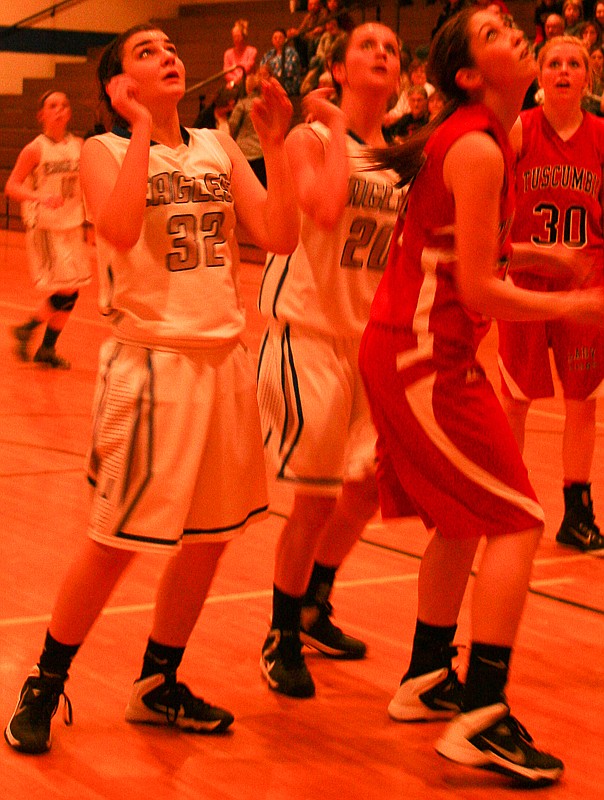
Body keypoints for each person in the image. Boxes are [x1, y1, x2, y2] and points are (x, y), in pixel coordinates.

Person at [4, 23, 298, 755]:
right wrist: (137, 129)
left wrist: (280, 145)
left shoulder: (219, 145)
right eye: (146, 51)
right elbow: (121, 228)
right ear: (118, 86)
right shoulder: (102, 151)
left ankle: (156, 683)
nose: (167, 54)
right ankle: (45, 679)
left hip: (224, 360)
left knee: (210, 540)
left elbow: (279, 233)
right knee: (113, 541)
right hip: (151, 366)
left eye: (169, 46)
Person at [359, 7, 604, 784]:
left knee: (466, 522)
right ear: (468, 74)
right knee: (520, 518)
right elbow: (477, 288)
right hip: (423, 355)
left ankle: (430, 674)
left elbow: (460, 245)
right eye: (495, 35)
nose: (518, 37)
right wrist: (572, 302)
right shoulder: (476, 145)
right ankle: (484, 715)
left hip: (414, 346)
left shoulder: (490, 135)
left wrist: (538, 251)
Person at [257, 22, 404, 698]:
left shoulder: (398, 157)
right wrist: (342, 126)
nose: (382, 53)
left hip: (366, 339)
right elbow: (320, 210)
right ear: (338, 68)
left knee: (370, 487)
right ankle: (280, 633)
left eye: (392, 49)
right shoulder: (310, 137)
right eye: (367, 46)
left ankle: (315, 603)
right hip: (307, 332)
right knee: (314, 502)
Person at [498, 36, 604, 552]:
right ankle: (511, 500)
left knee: (583, 402)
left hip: (587, 282)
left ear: (589, 76)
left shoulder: (603, 137)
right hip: (524, 276)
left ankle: (577, 509)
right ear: (538, 75)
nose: (564, 71)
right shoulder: (519, 129)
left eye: (574, 63)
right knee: (516, 397)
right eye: (554, 63)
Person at [7, 90, 90, 369]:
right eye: (53, 105)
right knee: (67, 289)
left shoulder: (78, 145)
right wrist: (39, 197)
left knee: (73, 291)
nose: (59, 109)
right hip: (44, 226)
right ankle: (29, 329)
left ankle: (45, 348)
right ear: (41, 114)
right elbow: (12, 186)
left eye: (64, 105)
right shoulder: (35, 149)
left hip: (72, 224)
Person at [229, 66, 269, 186]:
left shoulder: (243, 104)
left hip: (245, 154)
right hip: (263, 153)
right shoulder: (268, 104)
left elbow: (232, 124)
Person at [261, 28, 302, 97]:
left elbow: (289, 71)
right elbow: (262, 67)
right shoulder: (269, 54)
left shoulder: (291, 52)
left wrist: (272, 75)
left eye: (280, 37)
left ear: (285, 39)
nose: (277, 40)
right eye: (275, 38)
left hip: (287, 84)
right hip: (270, 82)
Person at [223, 18, 257, 88]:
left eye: (238, 36)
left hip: (248, 85)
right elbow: (226, 72)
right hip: (233, 85)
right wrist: (234, 81)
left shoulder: (252, 51)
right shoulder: (228, 53)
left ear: (244, 37)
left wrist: (236, 80)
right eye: (234, 36)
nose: (236, 39)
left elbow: (247, 68)